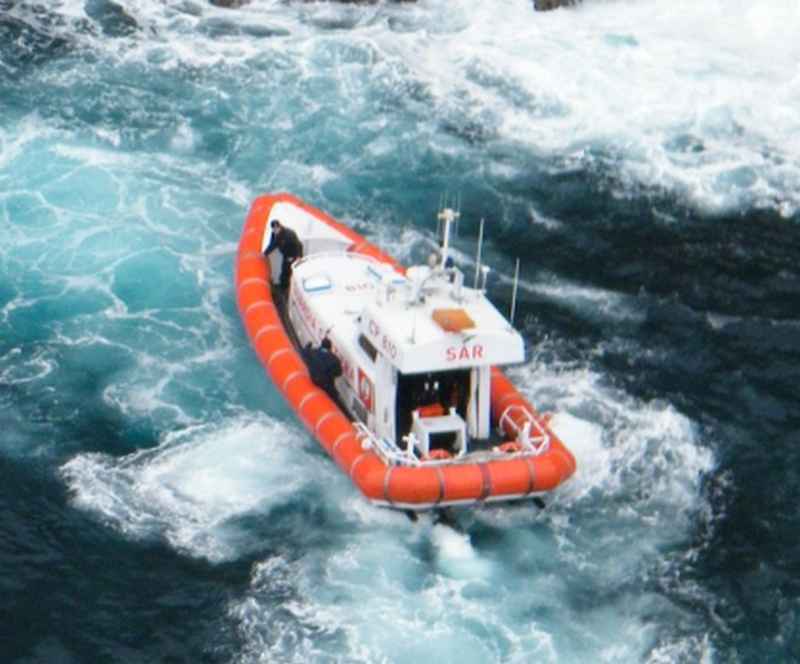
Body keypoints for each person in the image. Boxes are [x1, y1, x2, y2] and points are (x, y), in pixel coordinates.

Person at [263, 219, 303, 289]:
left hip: (292, 255)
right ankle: (283, 288)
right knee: (284, 272)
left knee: (288, 272)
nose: (275, 230)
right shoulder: (274, 234)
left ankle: (287, 288)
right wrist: (265, 253)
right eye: (274, 229)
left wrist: (298, 256)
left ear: (280, 227)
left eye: (276, 228)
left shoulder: (289, 234)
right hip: (285, 255)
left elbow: (298, 245)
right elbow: (272, 244)